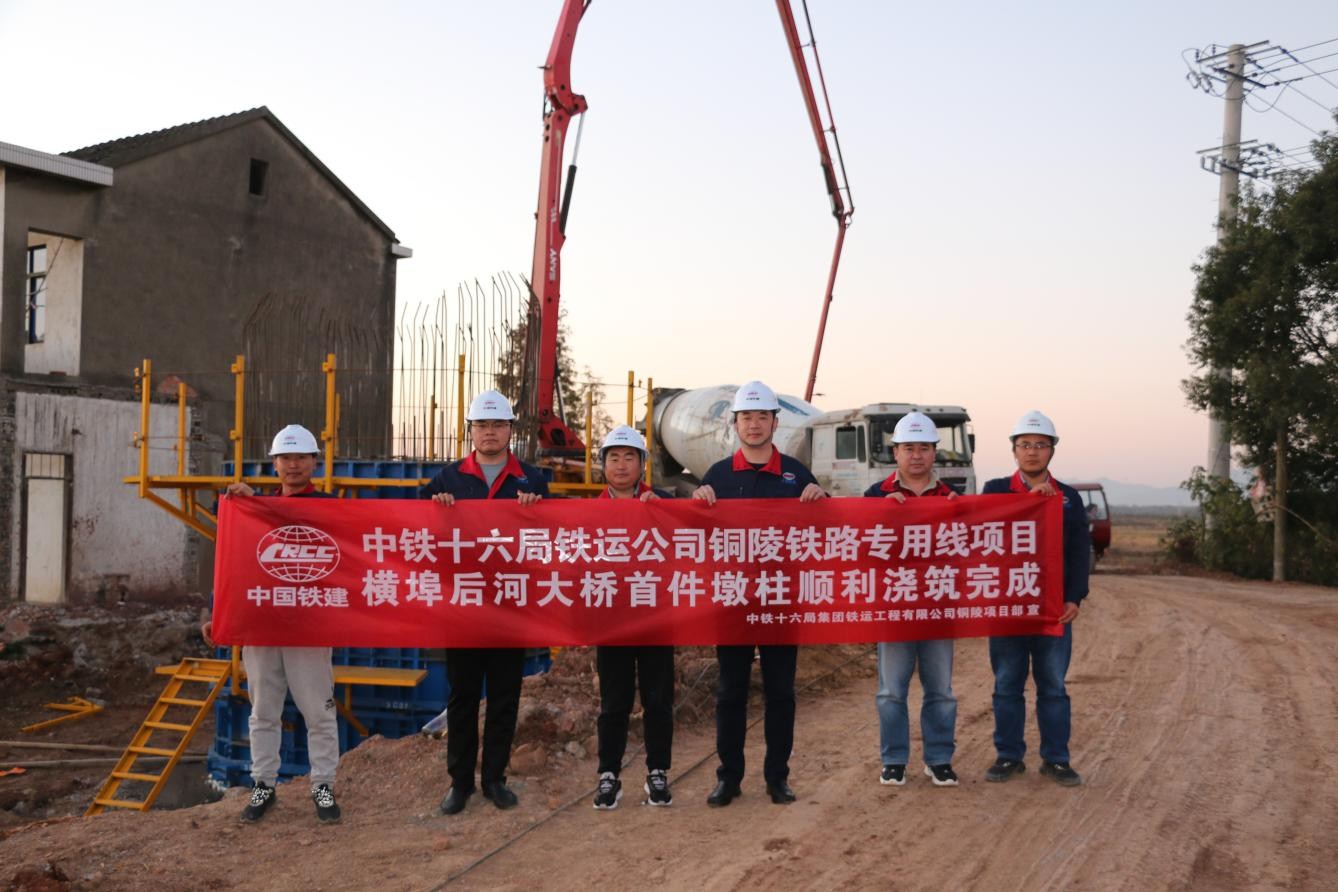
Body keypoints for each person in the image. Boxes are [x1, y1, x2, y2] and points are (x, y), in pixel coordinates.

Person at [692, 381, 827, 807]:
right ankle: (728, 777)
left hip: (781, 600)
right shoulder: (717, 476)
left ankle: (777, 777)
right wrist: (695, 503)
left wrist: (821, 500)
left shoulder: (796, 475)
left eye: (762, 417)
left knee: (780, 693)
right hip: (732, 601)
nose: (754, 424)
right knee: (730, 692)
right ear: (735, 424)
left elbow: (825, 533)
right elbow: (695, 537)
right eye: (746, 417)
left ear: (774, 422)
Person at [201, 423, 342, 824]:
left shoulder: (333, 509)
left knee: (318, 711)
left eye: (301, 458)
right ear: (274, 464)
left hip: (309, 626)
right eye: (285, 458)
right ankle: (263, 784)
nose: (293, 465)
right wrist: (218, 613)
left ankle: (323, 785)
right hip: (262, 623)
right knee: (263, 710)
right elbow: (233, 564)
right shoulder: (251, 512)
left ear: (314, 462)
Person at [422, 390, 549, 815]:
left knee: (504, 698)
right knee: (461, 698)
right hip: (463, 607)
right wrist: (434, 509)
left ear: (510, 430)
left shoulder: (532, 480)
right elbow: (415, 531)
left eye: (497, 425)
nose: (489, 432)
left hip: (511, 606)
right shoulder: (447, 480)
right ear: (471, 431)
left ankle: (494, 778)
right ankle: (460, 782)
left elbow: (552, 538)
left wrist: (538, 511)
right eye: (482, 425)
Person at [981, 410, 1089, 786]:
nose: (1032, 451)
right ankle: (1009, 756)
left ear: (1052, 450)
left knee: (1053, 686)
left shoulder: (1069, 498)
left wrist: (1075, 597)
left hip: (1052, 609)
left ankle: (1056, 759)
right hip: (1008, 607)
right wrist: (1029, 502)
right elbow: (983, 534)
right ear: (1014, 450)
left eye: (1040, 445)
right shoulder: (995, 490)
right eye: (1025, 444)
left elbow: (1079, 551)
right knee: (1007, 685)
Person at [863, 411, 961, 788]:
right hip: (894, 608)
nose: (916, 455)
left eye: (923, 448)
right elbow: (859, 549)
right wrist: (881, 516)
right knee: (891, 691)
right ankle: (894, 760)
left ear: (935, 452)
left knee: (941, 691)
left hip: (938, 607)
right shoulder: (875, 496)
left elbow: (971, 552)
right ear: (896, 452)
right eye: (908, 448)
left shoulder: (952, 498)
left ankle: (939, 759)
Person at [590, 425, 676, 810]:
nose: (621, 465)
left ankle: (658, 772)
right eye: (614, 457)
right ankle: (608, 775)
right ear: (603, 464)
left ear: (642, 464)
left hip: (656, 618)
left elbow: (695, 540)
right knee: (614, 702)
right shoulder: (586, 512)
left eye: (630, 457)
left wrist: (666, 512)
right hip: (612, 620)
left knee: (658, 700)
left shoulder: (664, 504)